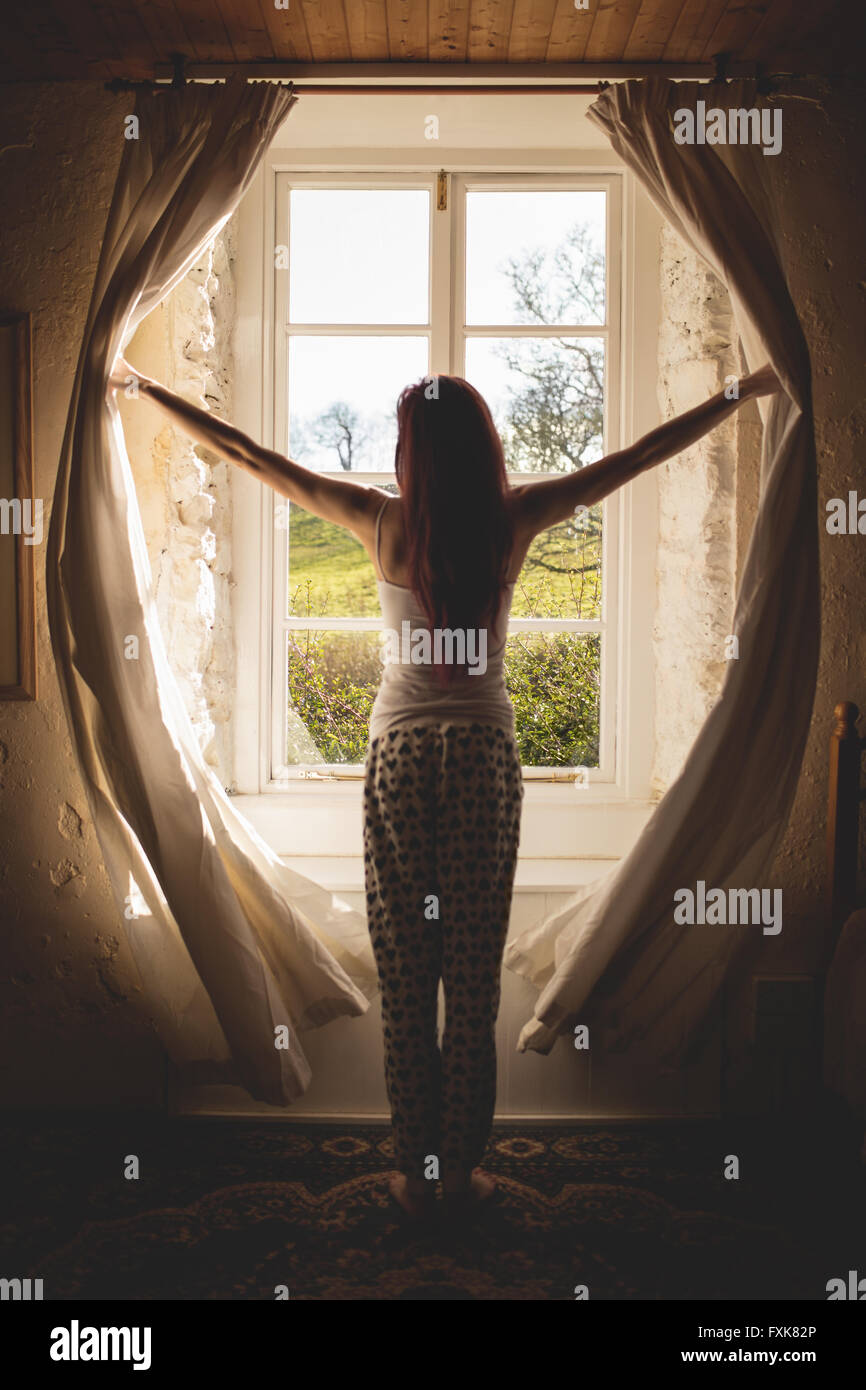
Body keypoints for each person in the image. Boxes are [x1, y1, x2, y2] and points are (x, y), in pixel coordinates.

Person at [109, 357, 781, 1219]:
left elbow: (251, 455)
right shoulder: (515, 518)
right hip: (481, 766)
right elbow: (640, 455)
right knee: (469, 986)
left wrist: (146, 389)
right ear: (482, 448)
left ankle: (412, 1174)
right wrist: (744, 392)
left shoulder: (377, 520)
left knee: (405, 975)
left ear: (411, 455)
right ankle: (459, 1174)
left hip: (400, 764)